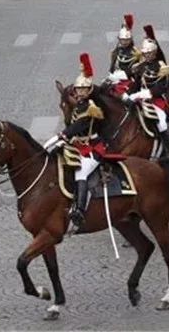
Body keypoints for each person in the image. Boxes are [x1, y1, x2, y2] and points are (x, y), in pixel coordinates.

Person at [43, 54, 105, 230]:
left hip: (93, 148)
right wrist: (64, 142)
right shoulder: (78, 105)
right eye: (78, 89)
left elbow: (77, 126)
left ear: (89, 90)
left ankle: (80, 210)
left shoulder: (91, 108)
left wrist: (59, 137)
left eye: (83, 90)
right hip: (79, 145)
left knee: (81, 172)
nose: (80, 92)